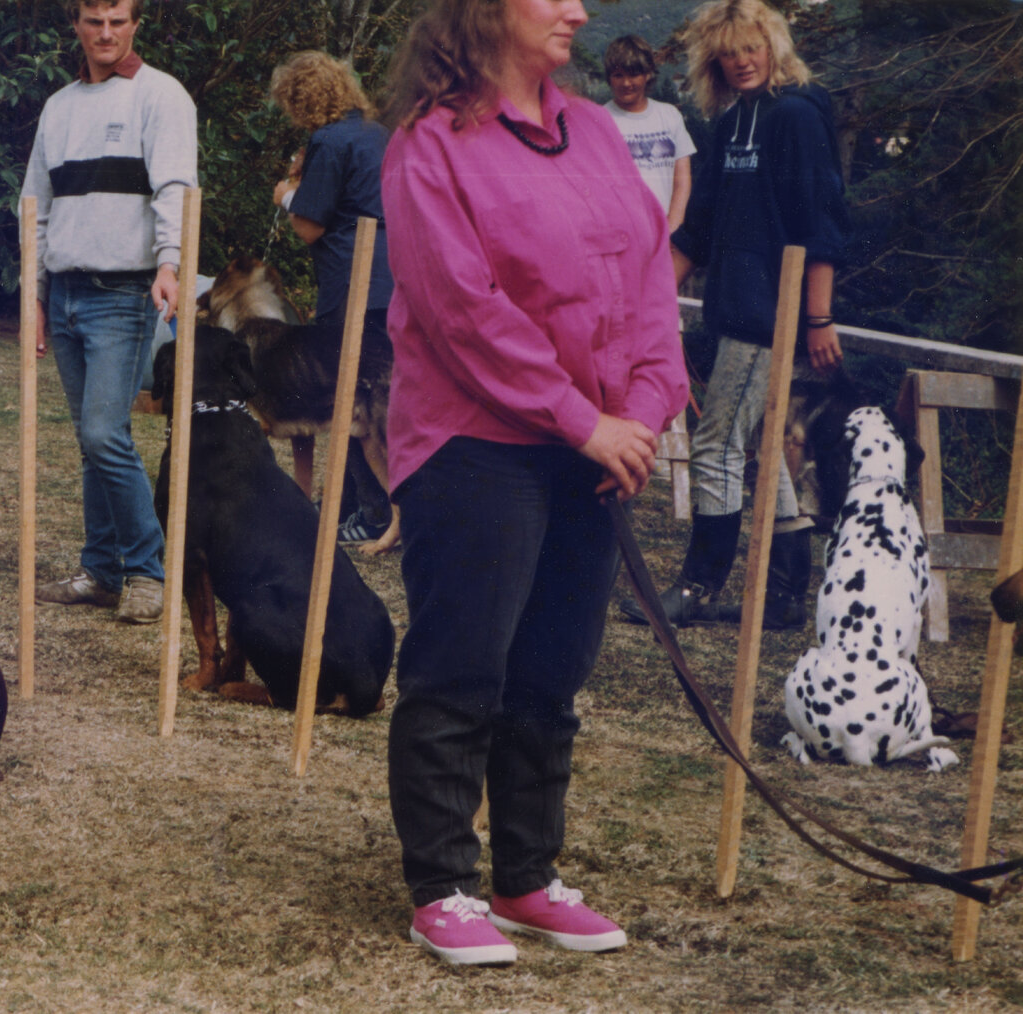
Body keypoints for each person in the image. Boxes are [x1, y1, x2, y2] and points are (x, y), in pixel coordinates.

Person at [379, 0, 687, 966]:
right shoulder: (430, 148)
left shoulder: (594, 130)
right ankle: (443, 884)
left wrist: (638, 412)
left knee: (551, 672)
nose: (579, 9)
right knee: (463, 667)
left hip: (592, 446)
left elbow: (646, 286)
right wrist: (581, 418)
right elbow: (463, 311)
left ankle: (523, 877)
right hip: (476, 442)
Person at [620, 0, 848, 630]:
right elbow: (698, 227)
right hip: (734, 306)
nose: (742, 61)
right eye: (729, 51)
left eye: (752, 47)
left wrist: (820, 317)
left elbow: (820, 220)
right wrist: (650, 299)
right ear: (713, 58)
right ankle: (784, 597)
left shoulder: (798, 115)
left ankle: (698, 586)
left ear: (773, 46)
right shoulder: (729, 122)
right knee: (759, 446)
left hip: (772, 313)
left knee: (716, 441)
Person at [22, 0, 196, 625]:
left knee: (104, 433)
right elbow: (34, 206)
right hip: (64, 294)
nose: (105, 33)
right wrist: (35, 296)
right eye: (94, 21)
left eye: (118, 20)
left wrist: (171, 264)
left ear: (134, 25)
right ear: (77, 26)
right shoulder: (59, 107)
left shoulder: (161, 96)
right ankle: (100, 571)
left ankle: (149, 572)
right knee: (92, 442)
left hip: (123, 293)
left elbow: (175, 188)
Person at [267, 50, 396, 547]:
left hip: (354, 281)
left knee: (353, 401)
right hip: (396, 279)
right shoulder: (377, 132)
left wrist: (285, 192)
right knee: (386, 400)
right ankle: (351, 507)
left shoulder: (327, 139)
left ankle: (372, 512)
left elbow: (308, 225)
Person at [601, 34, 695, 231]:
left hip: (667, 230)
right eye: (618, 75)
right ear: (609, 77)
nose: (626, 83)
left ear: (648, 74)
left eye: (634, 74)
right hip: (622, 233)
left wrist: (672, 229)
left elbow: (682, 180)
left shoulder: (669, 115)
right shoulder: (599, 119)